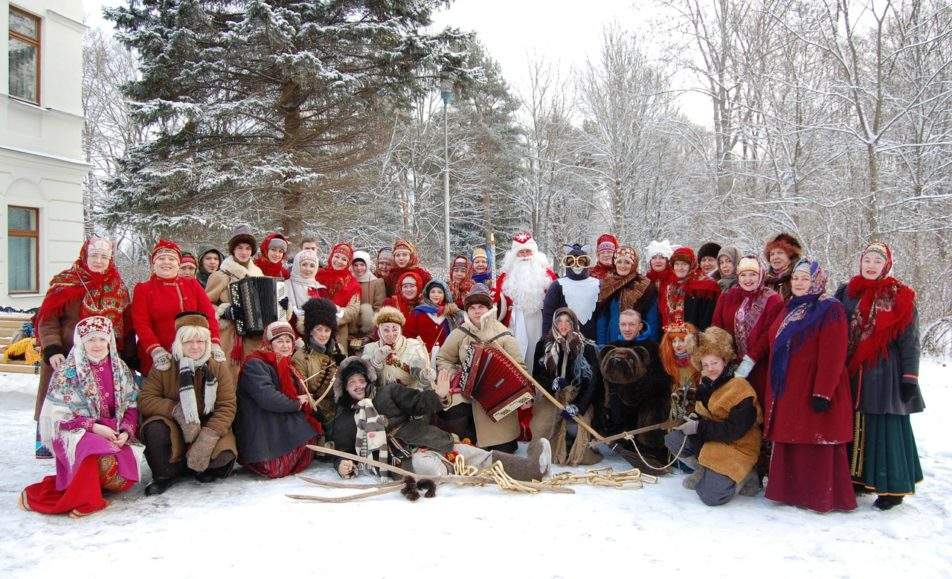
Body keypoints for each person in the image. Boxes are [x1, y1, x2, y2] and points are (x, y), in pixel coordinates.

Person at [331, 357, 551, 482]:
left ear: (368, 380)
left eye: (360, 380)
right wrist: (341, 464)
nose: (358, 386)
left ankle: (532, 468)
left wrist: (439, 395)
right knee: (429, 468)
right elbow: (342, 451)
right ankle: (447, 472)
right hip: (396, 462)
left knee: (471, 455)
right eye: (352, 384)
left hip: (425, 439)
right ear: (346, 389)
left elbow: (418, 402)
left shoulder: (387, 393)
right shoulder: (345, 420)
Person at [20, 316, 140, 517]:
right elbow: (58, 416)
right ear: (81, 341)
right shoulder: (68, 371)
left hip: (112, 430)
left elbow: (131, 404)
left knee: (123, 479)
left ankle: (77, 485)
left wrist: (126, 431)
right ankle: (86, 499)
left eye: (102, 339)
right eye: (91, 340)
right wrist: (94, 427)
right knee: (90, 447)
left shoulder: (120, 368)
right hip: (75, 431)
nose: (97, 345)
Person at [762, 258, 856, 512]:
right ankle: (792, 491)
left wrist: (822, 391)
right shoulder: (789, 306)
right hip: (789, 390)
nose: (799, 283)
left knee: (815, 440)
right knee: (793, 439)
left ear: (817, 281)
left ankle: (818, 495)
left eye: (805, 278)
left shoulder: (829, 308)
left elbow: (834, 353)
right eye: (796, 278)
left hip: (814, 386)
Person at [835, 242, 923, 510]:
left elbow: (910, 341)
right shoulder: (847, 292)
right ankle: (858, 478)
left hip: (885, 373)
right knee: (855, 422)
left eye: (877, 261)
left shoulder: (900, 296)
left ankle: (893, 487)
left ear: (886, 265)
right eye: (867, 260)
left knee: (884, 427)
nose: (871, 265)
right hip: (852, 371)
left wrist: (910, 377)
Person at [32, 237, 134, 459]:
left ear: (110, 260)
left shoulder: (118, 286)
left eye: (104, 257)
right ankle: (46, 436)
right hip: (66, 352)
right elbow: (47, 318)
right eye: (94, 256)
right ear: (84, 256)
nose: (99, 261)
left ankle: (94, 436)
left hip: (102, 354)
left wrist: (128, 355)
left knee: (95, 398)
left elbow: (125, 325)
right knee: (60, 397)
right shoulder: (65, 281)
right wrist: (52, 348)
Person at [139, 311, 237, 495]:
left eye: (200, 342)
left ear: (207, 343)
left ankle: (198, 465)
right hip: (174, 427)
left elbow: (227, 405)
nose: (195, 347)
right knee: (154, 429)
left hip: (206, 425)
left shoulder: (217, 365)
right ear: (179, 343)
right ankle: (165, 474)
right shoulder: (164, 366)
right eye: (188, 342)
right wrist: (177, 411)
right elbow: (146, 400)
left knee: (224, 458)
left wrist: (209, 435)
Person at [665, 326, 762, 506]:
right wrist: (693, 418)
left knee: (710, 496)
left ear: (724, 361)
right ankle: (705, 468)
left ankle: (746, 476)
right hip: (713, 441)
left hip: (737, 446)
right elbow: (704, 411)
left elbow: (735, 431)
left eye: (714, 363)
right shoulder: (705, 382)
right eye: (705, 364)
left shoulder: (740, 388)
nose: (710, 369)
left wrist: (698, 428)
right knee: (674, 439)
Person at [436, 284, 525, 453]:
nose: (477, 311)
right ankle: (466, 440)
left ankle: (497, 440)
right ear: (467, 311)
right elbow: (444, 358)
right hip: (466, 393)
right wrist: (456, 376)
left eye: (481, 307)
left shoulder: (503, 334)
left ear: (490, 309)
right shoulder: (460, 333)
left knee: (503, 449)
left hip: (497, 395)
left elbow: (519, 367)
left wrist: (515, 389)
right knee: (453, 407)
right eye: (472, 308)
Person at [235, 321, 322, 478]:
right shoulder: (255, 364)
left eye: (288, 341)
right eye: (279, 341)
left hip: (273, 417)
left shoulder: (287, 365)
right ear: (269, 343)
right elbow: (267, 398)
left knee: (308, 430)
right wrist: (297, 403)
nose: (285, 345)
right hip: (260, 424)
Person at [131, 240, 223, 376]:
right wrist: (155, 350)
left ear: (178, 263)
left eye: (171, 259)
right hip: (160, 356)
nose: (166, 262)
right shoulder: (143, 289)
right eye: (161, 258)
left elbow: (208, 314)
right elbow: (141, 323)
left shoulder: (192, 284)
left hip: (193, 353)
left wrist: (214, 341)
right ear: (154, 263)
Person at [530, 308, 602, 466]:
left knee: (575, 428)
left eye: (568, 322)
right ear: (554, 324)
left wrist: (578, 406)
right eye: (559, 321)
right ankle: (551, 449)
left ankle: (570, 446)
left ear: (574, 324)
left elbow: (592, 383)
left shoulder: (587, 347)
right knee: (541, 425)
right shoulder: (543, 345)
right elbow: (537, 376)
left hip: (576, 397)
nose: (563, 325)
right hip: (552, 397)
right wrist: (552, 383)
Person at [600, 314, 672, 470]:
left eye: (631, 324)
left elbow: (661, 381)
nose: (627, 329)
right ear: (618, 325)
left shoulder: (653, 348)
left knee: (654, 408)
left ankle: (651, 451)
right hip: (619, 403)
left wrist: (636, 392)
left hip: (644, 401)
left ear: (640, 326)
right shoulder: (612, 346)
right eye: (623, 324)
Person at [711, 256, 784, 403]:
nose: (748, 279)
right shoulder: (727, 296)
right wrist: (719, 358)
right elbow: (716, 328)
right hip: (729, 364)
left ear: (761, 275)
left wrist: (750, 360)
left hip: (759, 365)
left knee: (755, 404)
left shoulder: (772, 299)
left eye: (753, 274)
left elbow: (769, 333)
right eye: (743, 275)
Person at [495, 231, 557, 369]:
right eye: (520, 252)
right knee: (515, 355)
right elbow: (497, 303)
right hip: (514, 322)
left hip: (539, 320)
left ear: (534, 253)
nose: (524, 256)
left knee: (537, 353)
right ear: (514, 255)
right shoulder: (505, 276)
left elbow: (555, 300)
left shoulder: (546, 274)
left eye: (527, 252)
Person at [205, 224, 266, 363]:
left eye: (248, 248)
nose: (244, 252)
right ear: (233, 249)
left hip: (255, 337)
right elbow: (205, 305)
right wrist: (225, 312)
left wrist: (281, 305)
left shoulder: (259, 274)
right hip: (230, 337)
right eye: (239, 247)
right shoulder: (220, 275)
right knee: (231, 379)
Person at [292, 298, 345, 438]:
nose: (323, 334)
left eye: (327, 330)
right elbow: (304, 393)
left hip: (340, 409)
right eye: (318, 329)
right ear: (310, 331)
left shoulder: (340, 351)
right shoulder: (300, 357)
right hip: (317, 415)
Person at [594, 245, 660, 344]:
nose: (623, 266)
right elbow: (602, 320)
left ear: (634, 264)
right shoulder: (607, 285)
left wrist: (650, 346)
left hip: (639, 343)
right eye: (619, 262)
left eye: (627, 262)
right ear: (614, 263)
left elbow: (652, 320)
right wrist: (601, 346)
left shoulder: (645, 285)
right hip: (613, 340)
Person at [362, 306, 434, 390]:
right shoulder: (370, 348)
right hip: (382, 397)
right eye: (386, 330)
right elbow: (366, 381)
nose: (391, 334)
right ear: (379, 331)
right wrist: (376, 362)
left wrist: (425, 377)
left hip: (410, 395)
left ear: (400, 330)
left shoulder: (414, 345)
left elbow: (423, 382)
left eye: (395, 329)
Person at [542, 243, 600, 340]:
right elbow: (548, 315)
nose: (576, 265)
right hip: (564, 342)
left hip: (592, 341)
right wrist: (547, 340)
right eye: (571, 262)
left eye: (581, 261)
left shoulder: (597, 284)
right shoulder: (557, 285)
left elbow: (602, 317)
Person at [314, 242, 362, 354]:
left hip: (338, 330)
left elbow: (353, 310)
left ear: (348, 262)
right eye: (337, 256)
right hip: (314, 327)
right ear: (331, 256)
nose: (339, 261)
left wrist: (333, 315)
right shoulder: (317, 275)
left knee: (336, 364)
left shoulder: (353, 284)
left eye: (344, 259)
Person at [658, 246, 721, 331]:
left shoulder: (706, 286)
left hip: (694, 338)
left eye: (684, 264)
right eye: (677, 264)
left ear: (692, 265)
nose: (680, 268)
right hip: (673, 338)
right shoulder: (671, 287)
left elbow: (707, 319)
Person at [405, 280, 461, 352]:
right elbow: (409, 335)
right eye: (433, 292)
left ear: (445, 294)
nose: (436, 295)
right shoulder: (418, 312)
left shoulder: (452, 313)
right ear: (428, 294)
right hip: (423, 355)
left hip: (445, 356)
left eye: (440, 292)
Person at [350, 250, 386, 347]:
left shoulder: (377, 282)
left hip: (368, 332)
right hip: (349, 331)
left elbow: (379, 309)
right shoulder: (347, 280)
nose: (359, 268)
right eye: (355, 265)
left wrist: (370, 335)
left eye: (362, 264)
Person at [285, 249, 324, 334]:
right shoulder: (286, 285)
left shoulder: (318, 287)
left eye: (312, 265)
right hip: (291, 336)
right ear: (297, 265)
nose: (308, 269)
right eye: (304, 264)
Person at [763, 233, 803, 301]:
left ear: (790, 255)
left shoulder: (801, 278)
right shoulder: (765, 281)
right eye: (772, 254)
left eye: (780, 253)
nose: (775, 257)